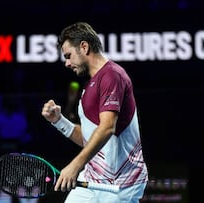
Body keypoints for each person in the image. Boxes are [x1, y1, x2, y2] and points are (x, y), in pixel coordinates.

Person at [41, 22, 148, 203]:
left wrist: (75, 165)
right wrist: (58, 120)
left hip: (120, 183)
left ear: (84, 46)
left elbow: (107, 128)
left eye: (68, 56)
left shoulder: (112, 76)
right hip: (91, 177)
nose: (66, 63)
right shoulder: (90, 85)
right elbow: (90, 139)